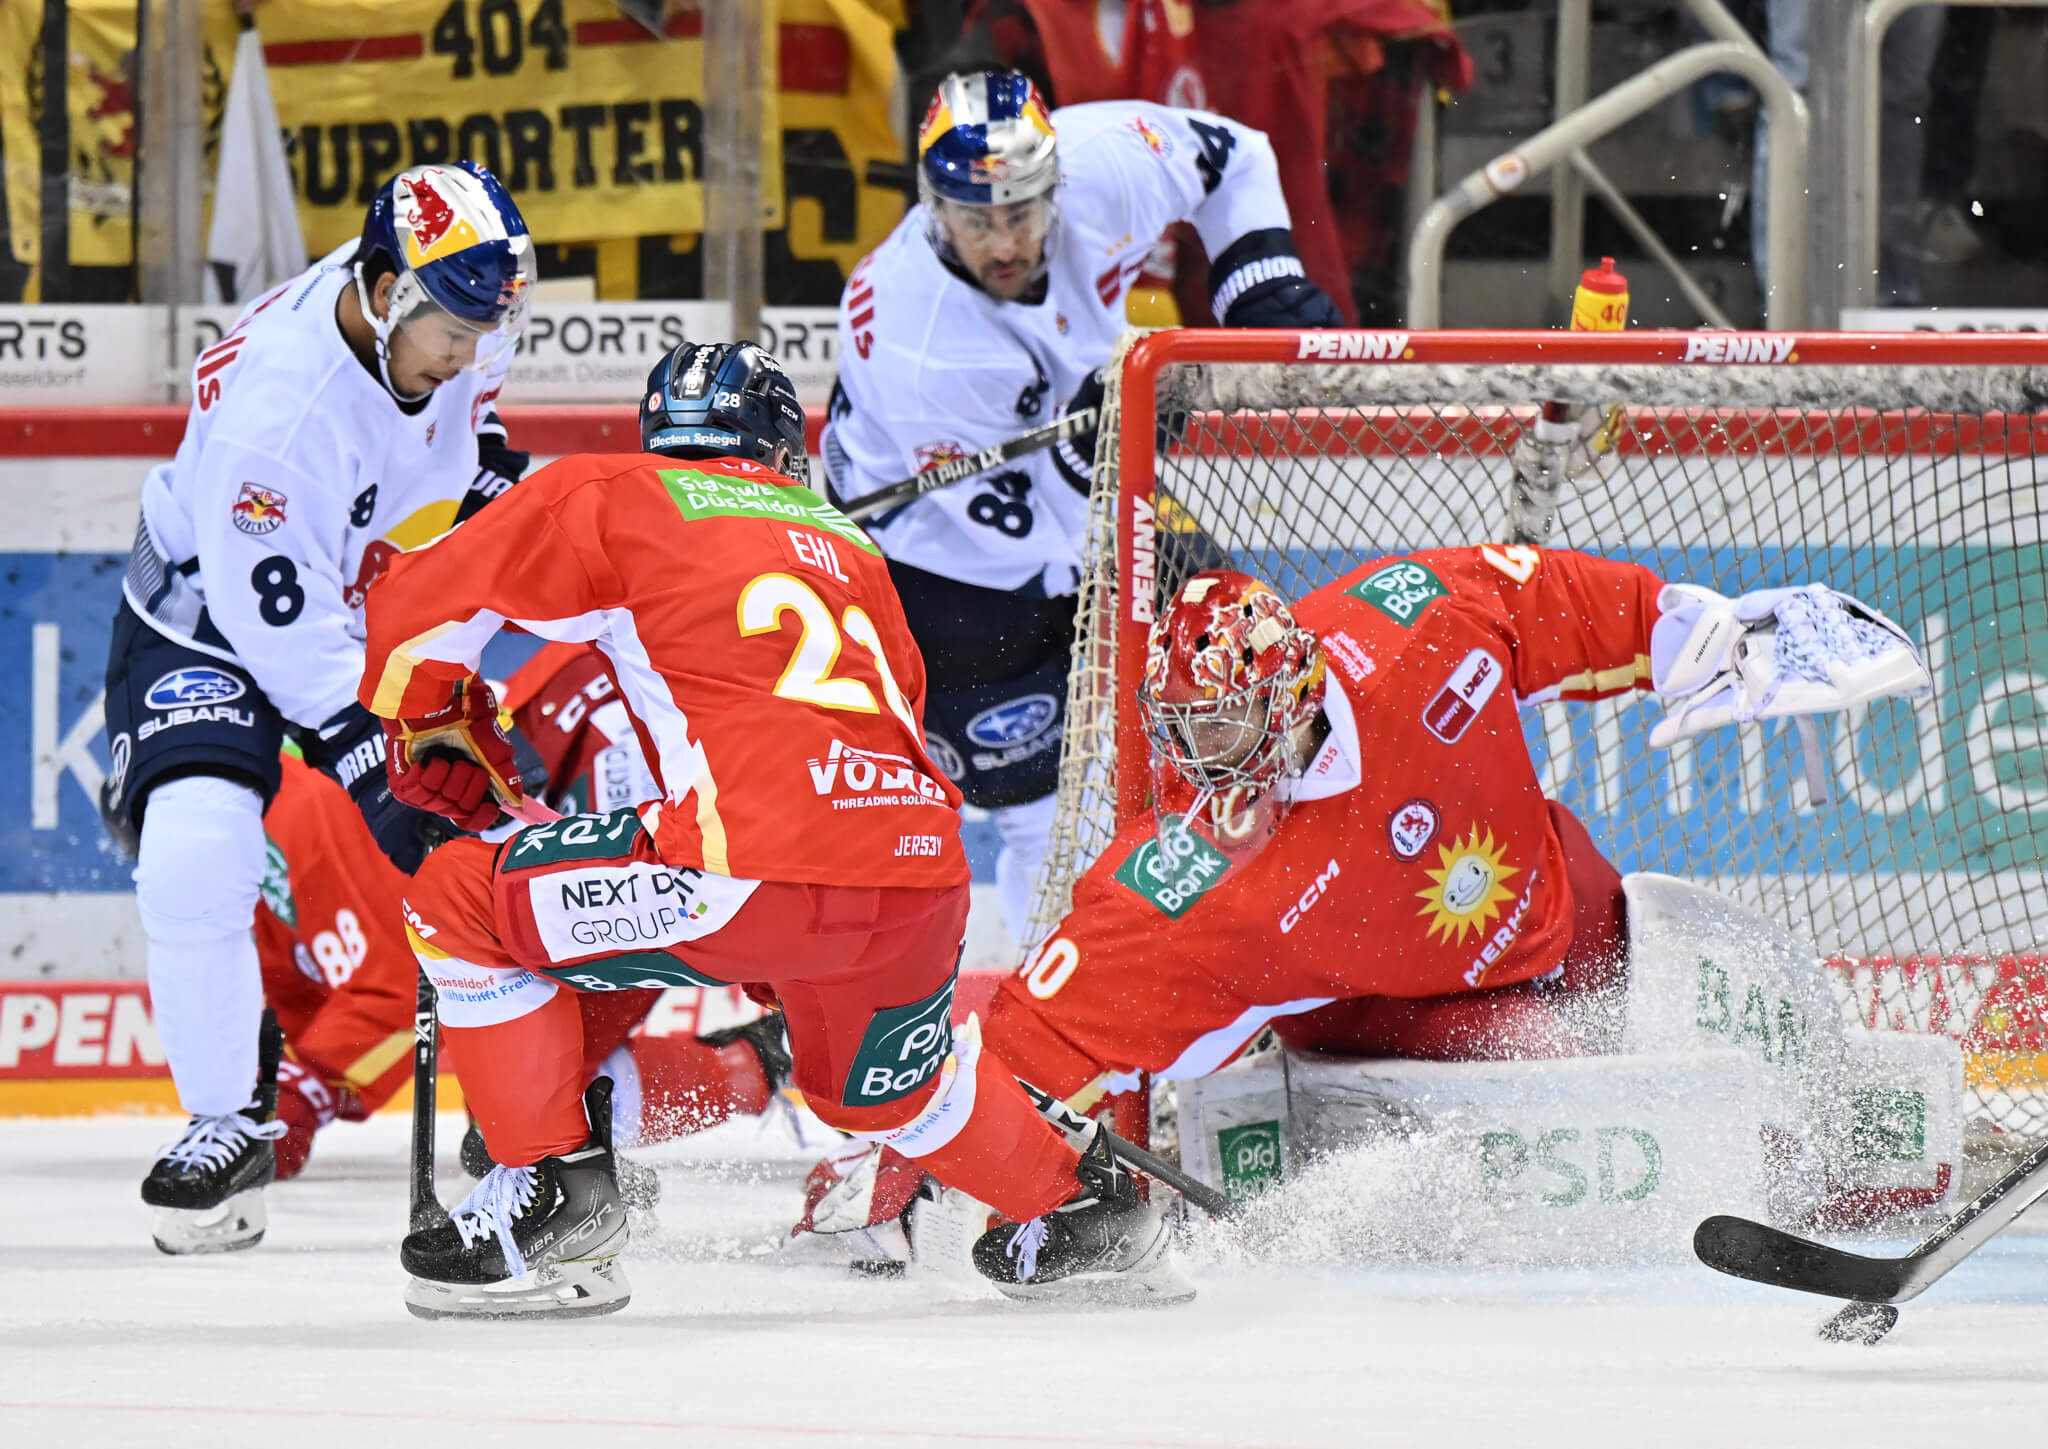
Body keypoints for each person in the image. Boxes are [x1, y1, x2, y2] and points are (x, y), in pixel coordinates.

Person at [358, 340, 1191, 1318]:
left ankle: (548, 1203)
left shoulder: (615, 490)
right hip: (916, 876)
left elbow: (413, 602)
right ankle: (1081, 1207)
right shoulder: (851, 546)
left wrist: (425, 724)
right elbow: (887, 723)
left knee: (456, 897)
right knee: (885, 1091)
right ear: (781, 447)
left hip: (751, 864)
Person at [795, 548, 1931, 1251]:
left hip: (1575, 903)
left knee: (1766, 1008)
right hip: (1424, 1015)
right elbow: (1031, 1045)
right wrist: (907, 1171)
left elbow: (1547, 599)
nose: (1203, 764)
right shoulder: (1180, 876)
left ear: (1290, 691)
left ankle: (1863, 1158)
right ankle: (1780, 1186)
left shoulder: (1409, 621)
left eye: (1226, 728)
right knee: (1575, 1081)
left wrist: (1700, 634)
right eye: (1184, 733)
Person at [102, 160, 536, 1254]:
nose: (471, 353)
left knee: (474, 847)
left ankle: (536, 1126)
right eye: (451, 332)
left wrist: (489, 488)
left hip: (362, 589)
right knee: (195, 844)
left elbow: (467, 434)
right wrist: (367, 758)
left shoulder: (455, 302)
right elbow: (283, 644)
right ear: (385, 293)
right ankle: (224, 1120)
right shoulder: (279, 418)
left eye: (486, 329)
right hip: (205, 619)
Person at [819, 69, 1343, 948]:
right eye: (976, 218)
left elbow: (1235, 158)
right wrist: (1098, 440)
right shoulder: (916, 343)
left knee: (1247, 687)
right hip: (941, 561)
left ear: (1053, 183)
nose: (1005, 240)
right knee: (1042, 815)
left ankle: (1246, 957)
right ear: (931, 206)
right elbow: (1036, 525)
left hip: (1099, 475)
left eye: (1022, 209)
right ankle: (1059, 1035)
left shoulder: (1104, 161)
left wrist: (1259, 275)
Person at [256, 701, 788, 1187]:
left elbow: (398, 992)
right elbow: (304, 977)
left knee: (518, 1120)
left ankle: (767, 1059)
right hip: (603, 846)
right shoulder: (265, 811)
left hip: (626, 871)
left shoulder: (300, 818)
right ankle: (769, 1054)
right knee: (512, 1111)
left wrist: (301, 1091)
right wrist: (286, 1084)